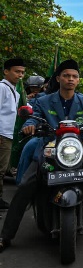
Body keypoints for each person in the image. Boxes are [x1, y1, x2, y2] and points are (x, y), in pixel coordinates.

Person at [0, 59, 83, 252]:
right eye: (66, 76)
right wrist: (29, 126)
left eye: (74, 76)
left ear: (78, 80)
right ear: (59, 78)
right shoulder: (42, 100)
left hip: (77, 147)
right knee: (25, 186)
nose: (70, 79)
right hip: (48, 147)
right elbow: (32, 117)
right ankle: (5, 235)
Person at [0, 58, 26, 210]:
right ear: (6, 71)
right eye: (17, 71)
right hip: (2, 134)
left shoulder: (14, 90)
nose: (20, 75)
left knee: (2, 169)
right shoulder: (2, 88)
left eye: (22, 72)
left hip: (8, 134)